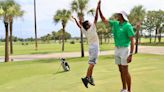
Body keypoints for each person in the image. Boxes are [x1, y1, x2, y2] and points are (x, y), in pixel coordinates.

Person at [98, 0, 135, 92]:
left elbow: (132, 40)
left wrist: (131, 54)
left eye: (118, 14)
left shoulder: (128, 26)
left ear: (122, 16)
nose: (117, 15)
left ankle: (129, 90)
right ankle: (124, 88)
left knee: (125, 71)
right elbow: (104, 19)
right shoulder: (115, 23)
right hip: (117, 49)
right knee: (120, 70)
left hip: (125, 49)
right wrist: (99, 9)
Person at [72, 1, 100, 88]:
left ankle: (90, 78)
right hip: (94, 48)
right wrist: (98, 8)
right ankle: (86, 78)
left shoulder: (84, 30)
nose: (91, 23)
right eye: (89, 23)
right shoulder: (91, 28)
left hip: (91, 48)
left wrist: (75, 19)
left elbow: (79, 25)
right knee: (92, 64)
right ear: (88, 25)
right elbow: (96, 17)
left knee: (92, 64)